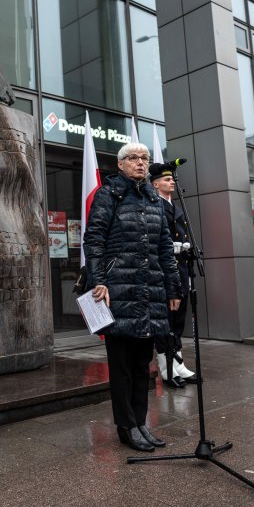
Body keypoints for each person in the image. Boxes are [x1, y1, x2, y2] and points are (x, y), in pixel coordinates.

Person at [83, 142, 181, 453]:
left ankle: (141, 422)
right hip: (116, 291)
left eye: (145, 158)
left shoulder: (154, 199)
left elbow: (165, 247)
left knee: (143, 365)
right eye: (133, 158)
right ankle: (126, 426)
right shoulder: (108, 194)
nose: (140, 163)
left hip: (150, 290)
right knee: (122, 366)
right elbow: (94, 239)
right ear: (121, 164)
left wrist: (173, 288)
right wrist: (98, 280)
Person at [150, 163, 196, 387]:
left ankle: (178, 363)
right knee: (166, 320)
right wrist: (175, 247)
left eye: (172, 180)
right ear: (155, 183)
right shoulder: (154, 205)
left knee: (179, 319)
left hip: (181, 269)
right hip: (165, 270)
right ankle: (166, 367)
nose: (172, 183)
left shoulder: (176, 205)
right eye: (166, 180)